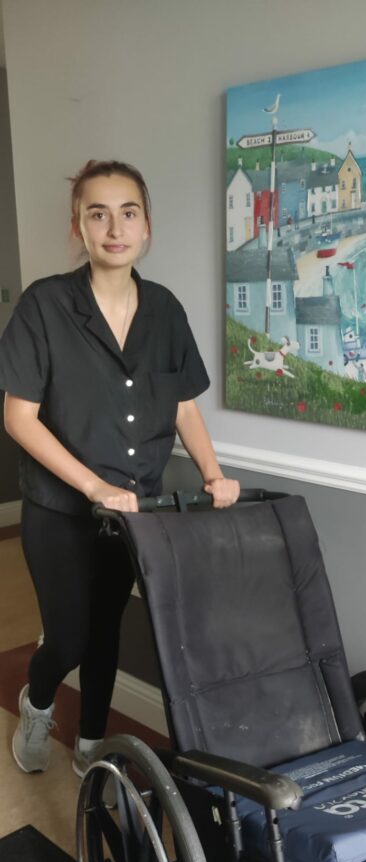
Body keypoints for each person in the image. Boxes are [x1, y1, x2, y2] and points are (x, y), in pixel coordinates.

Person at [0, 159, 239, 777]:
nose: (115, 228)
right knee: (69, 637)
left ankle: (91, 746)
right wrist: (94, 485)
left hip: (134, 510)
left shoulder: (165, 310)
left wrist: (213, 474)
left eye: (128, 213)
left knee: (107, 629)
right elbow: (19, 419)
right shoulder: (45, 305)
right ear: (77, 226)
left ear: (146, 225)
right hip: (60, 509)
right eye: (98, 214)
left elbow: (183, 404)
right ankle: (39, 701)